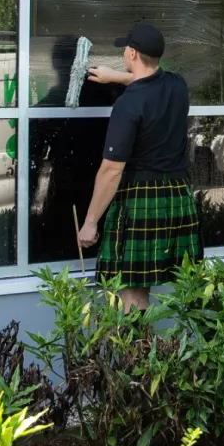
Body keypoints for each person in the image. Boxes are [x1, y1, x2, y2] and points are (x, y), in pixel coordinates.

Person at [76, 23, 202, 310]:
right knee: (149, 283)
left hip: (141, 196)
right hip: (177, 193)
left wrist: (91, 222)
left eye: (125, 49)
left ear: (132, 53)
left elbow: (111, 171)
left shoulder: (128, 104)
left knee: (132, 290)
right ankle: (150, 352)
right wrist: (115, 77)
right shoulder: (178, 86)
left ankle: (136, 353)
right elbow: (150, 82)